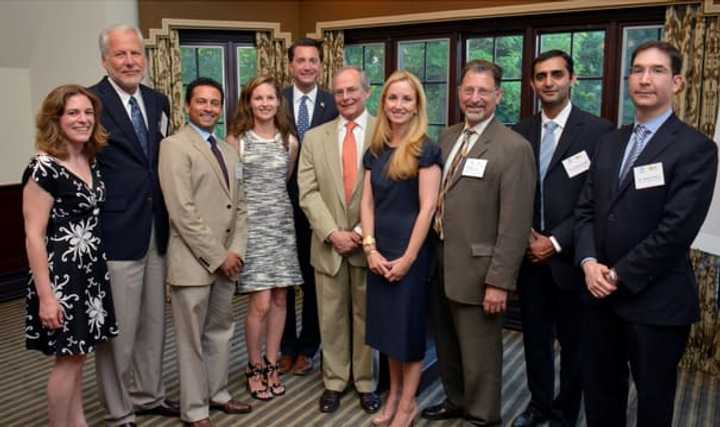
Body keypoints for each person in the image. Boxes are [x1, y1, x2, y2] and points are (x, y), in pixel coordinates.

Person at [575, 41, 718, 427]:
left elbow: (675, 230)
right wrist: (588, 264)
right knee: (601, 396)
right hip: (597, 297)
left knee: (653, 403)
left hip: (655, 301)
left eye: (656, 71)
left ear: (678, 82)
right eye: (637, 70)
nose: (644, 79)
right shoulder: (609, 142)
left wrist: (617, 275)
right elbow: (585, 211)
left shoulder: (696, 149)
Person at [423, 60, 535, 426]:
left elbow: (515, 224)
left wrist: (499, 281)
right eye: (468, 90)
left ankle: (483, 414)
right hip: (440, 261)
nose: (475, 98)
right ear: (458, 94)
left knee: (480, 351)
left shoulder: (513, 148)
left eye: (483, 91)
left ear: (498, 96)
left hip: (481, 269)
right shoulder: (448, 137)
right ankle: (456, 400)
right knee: (448, 343)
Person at [511, 50, 614, 427]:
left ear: (573, 79)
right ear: (532, 83)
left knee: (576, 345)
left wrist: (554, 242)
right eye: (541, 76)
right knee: (534, 341)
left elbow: (599, 199)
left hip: (573, 258)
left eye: (557, 74)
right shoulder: (519, 131)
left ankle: (565, 412)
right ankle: (539, 405)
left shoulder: (600, 132)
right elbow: (513, 193)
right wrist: (524, 235)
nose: (549, 82)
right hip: (528, 257)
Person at [90, 24, 178, 425]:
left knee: (153, 324)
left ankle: (148, 394)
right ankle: (119, 408)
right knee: (119, 330)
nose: (130, 61)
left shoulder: (159, 101)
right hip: (116, 231)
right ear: (105, 59)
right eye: (121, 54)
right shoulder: (91, 102)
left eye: (136, 54)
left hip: (156, 229)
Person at [22, 84, 118, 426]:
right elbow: (33, 236)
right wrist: (47, 298)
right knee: (67, 360)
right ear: (56, 119)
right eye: (73, 113)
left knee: (79, 356)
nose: (83, 119)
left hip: (90, 273)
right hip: (61, 276)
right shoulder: (43, 168)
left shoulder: (87, 158)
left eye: (88, 112)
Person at [158, 77, 252, 427]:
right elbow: (182, 212)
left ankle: (219, 393)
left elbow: (240, 207)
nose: (209, 108)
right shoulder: (173, 146)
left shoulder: (228, 150)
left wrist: (237, 252)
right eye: (201, 102)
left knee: (221, 331)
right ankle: (195, 409)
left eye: (215, 102)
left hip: (229, 262)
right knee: (191, 341)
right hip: (194, 262)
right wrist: (218, 256)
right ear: (187, 105)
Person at [360, 70, 442, 427]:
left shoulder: (427, 149)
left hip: (411, 253)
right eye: (393, 98)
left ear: (416, 105)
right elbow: (367, 204)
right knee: (387, 332)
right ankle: (392, 396)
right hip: (379, 252)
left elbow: (428, 207)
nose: (398, 105)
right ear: (384, 103)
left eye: (406, 99)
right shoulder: (376, 149)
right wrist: (369, 249)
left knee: (407, 333)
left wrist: (408, 259)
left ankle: (407, 404)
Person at [298, 66, 381, 414]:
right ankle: (333, 381)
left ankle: (365, 382)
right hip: (328, 244)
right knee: (330, 317)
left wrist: (360, 234)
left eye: (352, 90)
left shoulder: (384, 131)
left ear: (367, 92)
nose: (345, 97)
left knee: (366, 317)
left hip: (369, 244)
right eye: (339, 92)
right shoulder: (314, 137)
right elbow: (308, 191)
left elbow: (389, 189)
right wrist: (333, 233)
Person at [226, 75, 303, 401]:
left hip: (282, 227)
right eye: (258, 98)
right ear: (249, 101)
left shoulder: (290, 142)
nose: (265, 103)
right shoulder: (236, 141)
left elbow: (284, 181)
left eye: (270, 98)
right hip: (252, 229)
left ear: (277, 102)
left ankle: (272, 363)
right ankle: (254, 364)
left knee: (281, 300)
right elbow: (234, 188)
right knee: (258, 303)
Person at [280, 37, 339, 376]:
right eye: (300, 60)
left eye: (312, 60)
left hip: (321, 208)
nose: (306, 66)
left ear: (320, 65)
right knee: (284, 281)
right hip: (281, 208)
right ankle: (286, 346)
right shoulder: (276, 101)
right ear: (290, 66)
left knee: (316, 282)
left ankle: (308, 346)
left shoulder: (333, 103)